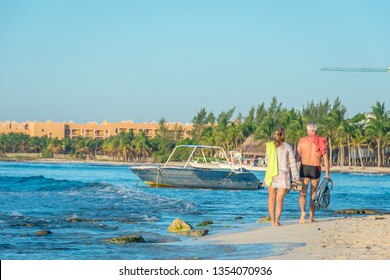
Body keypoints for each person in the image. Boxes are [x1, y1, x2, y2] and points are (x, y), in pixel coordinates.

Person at [264, 127, 299, 226]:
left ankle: (272, 220)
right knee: (279, 199)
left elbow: (266, 160)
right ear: (283, 135)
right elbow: (292, 163)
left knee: (271, 198)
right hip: (283, 174)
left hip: (272, 174)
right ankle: (277, 220)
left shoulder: (270, 146)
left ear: (275, 135)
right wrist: (295, 177)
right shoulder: (287, 147)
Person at [297, 122, 330, 224]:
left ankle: (303, 212)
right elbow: (325, 159)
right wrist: (327, 174)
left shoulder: (302, 141)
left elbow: (297, 156)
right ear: (316, 130)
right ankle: (311, 217)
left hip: (304, 167)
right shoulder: (321, 141)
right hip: (315, 168)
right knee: (313, 193)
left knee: (303, 192)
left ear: (308, 130)